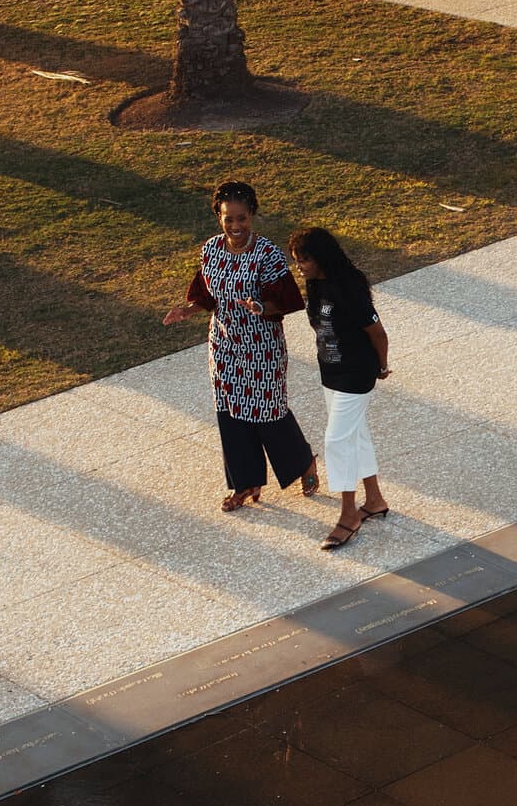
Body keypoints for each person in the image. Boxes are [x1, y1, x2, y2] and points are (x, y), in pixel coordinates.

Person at [163, 181, 318, 512]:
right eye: (228, 219)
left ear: (252, 215)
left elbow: (290, 301)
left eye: (241, 219)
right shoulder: (211, 250)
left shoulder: (268, 255)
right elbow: (206, 294)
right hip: (223, 345)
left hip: (262, 346)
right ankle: (245, 483)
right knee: (231, 412)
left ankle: (303, 463)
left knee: (268, 411)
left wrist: (261, 308)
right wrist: (187, 309)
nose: (235, 226)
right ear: (218, 217)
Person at [287, 226, 391, 550]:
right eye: (297, 260)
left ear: (320, 257)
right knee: (356, 434)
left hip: (356, 374)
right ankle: (374, 500)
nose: (299, 266)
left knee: (336, 441)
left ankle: (349, 514)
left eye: (303, 259)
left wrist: (382, 366)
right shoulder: (316, 284)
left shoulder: (349, 287)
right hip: (330, 373)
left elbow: (378, 334)